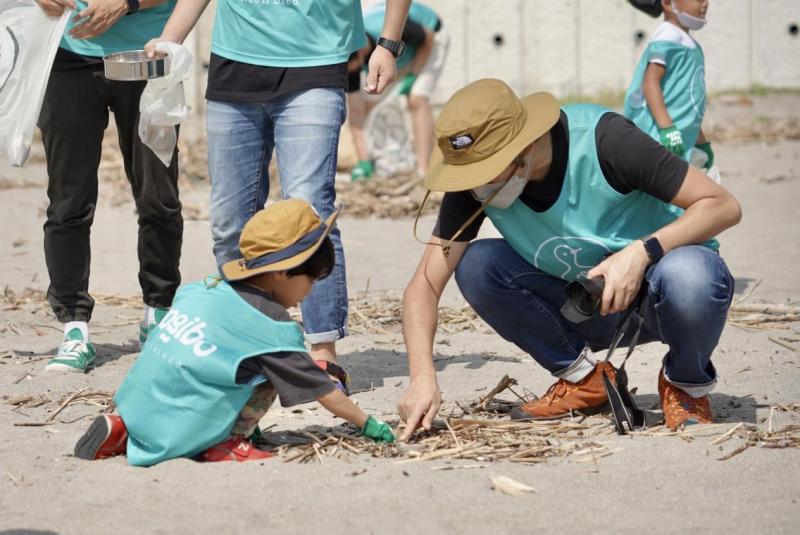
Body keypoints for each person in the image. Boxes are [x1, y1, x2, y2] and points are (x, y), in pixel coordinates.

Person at [397, 79, 742, 440]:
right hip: (585, 305)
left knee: (691, 275)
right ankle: (586, 380)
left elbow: (722, 205)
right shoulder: (476, 184)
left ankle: (684, 385)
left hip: (665, 297)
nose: (474, 186)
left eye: (483, 173)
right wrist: (422, 378)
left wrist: (642, 252)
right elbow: (423, 286)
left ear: (523, 146)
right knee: (478, 264)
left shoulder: (606, 141)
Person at [145, 0, 411, 390]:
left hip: (317, 64)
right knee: (229, 221)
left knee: (309, 212)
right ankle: (248, 344)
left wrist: (388, 44)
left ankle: (322, 352)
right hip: (234, 67)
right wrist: (170, 39)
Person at [73, 200, 395, 465]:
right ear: (283, 272)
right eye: (310, 280)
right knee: (273, 370)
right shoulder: (272, 326)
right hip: (186, 426)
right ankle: (226, 441)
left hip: (133, 403)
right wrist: (367, 424)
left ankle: (123, 428)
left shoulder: (206, 287)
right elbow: (324, 391)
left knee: (222, 365)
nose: (309, 292)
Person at [36, 0, 183, 373]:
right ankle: (73, 328)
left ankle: (158, 311)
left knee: (158, 196)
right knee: (68, 201)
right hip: (67, 56)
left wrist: (127, 3)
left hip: (147, 55)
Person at [347, 1, 448, 180]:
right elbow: (356, 113)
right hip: (399, 54)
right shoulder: (349, 61)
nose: (355, 72)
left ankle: (423, 171)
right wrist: (363, 160)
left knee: (416, 98)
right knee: (368, 106)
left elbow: (428, 38)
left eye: (355, 68)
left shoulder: (382, 30)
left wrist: (413, 76)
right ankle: (369, 161)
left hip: (430, 37)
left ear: (361, 54)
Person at [624, 0, 714, 170]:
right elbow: (650, 83)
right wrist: (667, 129)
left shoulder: (688, 43)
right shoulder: (667, 36)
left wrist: (700, 141)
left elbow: (688, 102)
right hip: (661, 138)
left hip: (679, 139)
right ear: (667, 2)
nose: (705, 3)